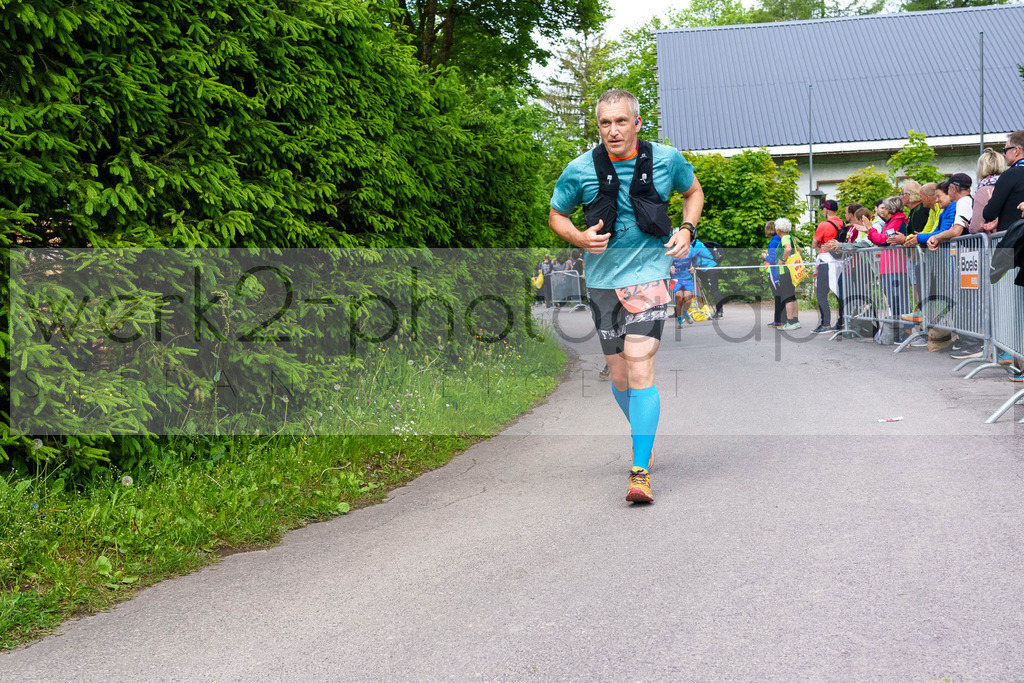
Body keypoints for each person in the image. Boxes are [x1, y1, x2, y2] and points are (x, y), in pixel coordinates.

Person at [548, 88, 704, 504]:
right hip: (602, 285)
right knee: (619, 378)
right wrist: (579, 237)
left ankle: (640, 471)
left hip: (651, 278)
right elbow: (556, 216)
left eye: (621, 121)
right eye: (605, 123)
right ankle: (643, 437)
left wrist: (687, 230)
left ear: (637, 123)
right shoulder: (580, 169)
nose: (613, 130)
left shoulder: (667, 160)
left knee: (639, 369)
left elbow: (694, 192)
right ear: (598, 126)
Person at [867, 196, 909, 339]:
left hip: (895, 265)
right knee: (894, 300)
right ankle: (899, 332)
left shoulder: (896, 221)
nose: (882, 210)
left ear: (891, 208)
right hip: (891, 265)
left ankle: (904, 333)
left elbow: (883, 240)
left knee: (898, 301)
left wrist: (869, 229)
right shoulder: (892, 221)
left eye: (885, 207)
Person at [811, 199, 843, 333]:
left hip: (826, 260)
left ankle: (826, 324)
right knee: (839, 292)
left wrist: (820, 244)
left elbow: (814, 243)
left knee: (822, 293)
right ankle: (842, 321)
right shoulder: (842, 223)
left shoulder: (823, 225)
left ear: (827, 210)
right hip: (840, 260)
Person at [981, 131, 1024, 232]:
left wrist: (992, 200)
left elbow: (989, 214)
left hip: (1012, 241)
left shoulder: (1010, 174)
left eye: (1005, 149)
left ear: (1016, 150)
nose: (1003, 154)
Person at [773, 218, 801, 330]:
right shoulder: (791, 237)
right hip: (792, 270)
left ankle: (789, 322)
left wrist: (782, 260)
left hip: (785, 271)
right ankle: (795, 321)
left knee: (787, 297)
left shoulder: (784, 238)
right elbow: (798, 250)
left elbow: (788, 249)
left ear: (778, 229)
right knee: (792, 296)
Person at [971, 148, 1008, 233]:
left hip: (991, 242)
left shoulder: (983, 191)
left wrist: (970, 227)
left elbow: (976, 227)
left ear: (981, 167)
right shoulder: (1007, 186)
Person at [762, 220, 783, 327]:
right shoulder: (780, 239)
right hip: (780, 271)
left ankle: (778, 320)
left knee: (777, 296)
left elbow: (773, 259)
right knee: (781, 295)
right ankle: (782, 319)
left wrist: (765, 256)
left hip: (774, 272)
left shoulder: (773, 241)